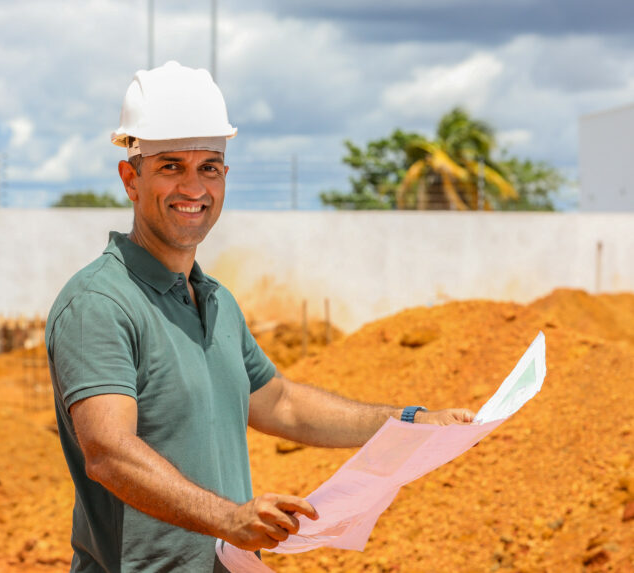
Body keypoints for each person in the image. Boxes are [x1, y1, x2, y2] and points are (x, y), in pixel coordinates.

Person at [46, 61, 475, 573]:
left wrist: (409, 422)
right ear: (130, 178)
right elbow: (109, 453)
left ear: (224, 176)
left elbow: (281, 403)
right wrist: (229, 518)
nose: (193, 187)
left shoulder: (216, 301)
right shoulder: (100, 303)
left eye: (208, 166)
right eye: (170, 166)